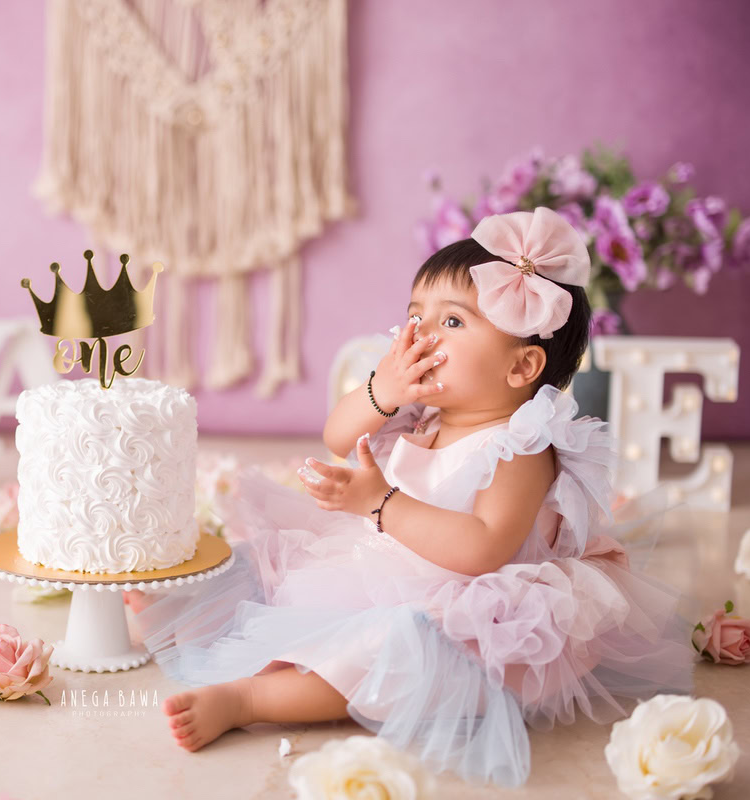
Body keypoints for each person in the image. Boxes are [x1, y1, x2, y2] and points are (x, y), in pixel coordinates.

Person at [124, 207, 694, 787]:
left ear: (522, 365)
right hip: (376, 562)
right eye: (415, 315)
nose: (420, 335)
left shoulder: (519, 446)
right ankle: (189, 618)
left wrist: (380, 503)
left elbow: (485, 549)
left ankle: (253, 700)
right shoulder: (421, 411)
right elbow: (337, 434)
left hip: (471, 606)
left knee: (385, 650)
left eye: (452, 322)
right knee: (266, 564)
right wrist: (382, 390)